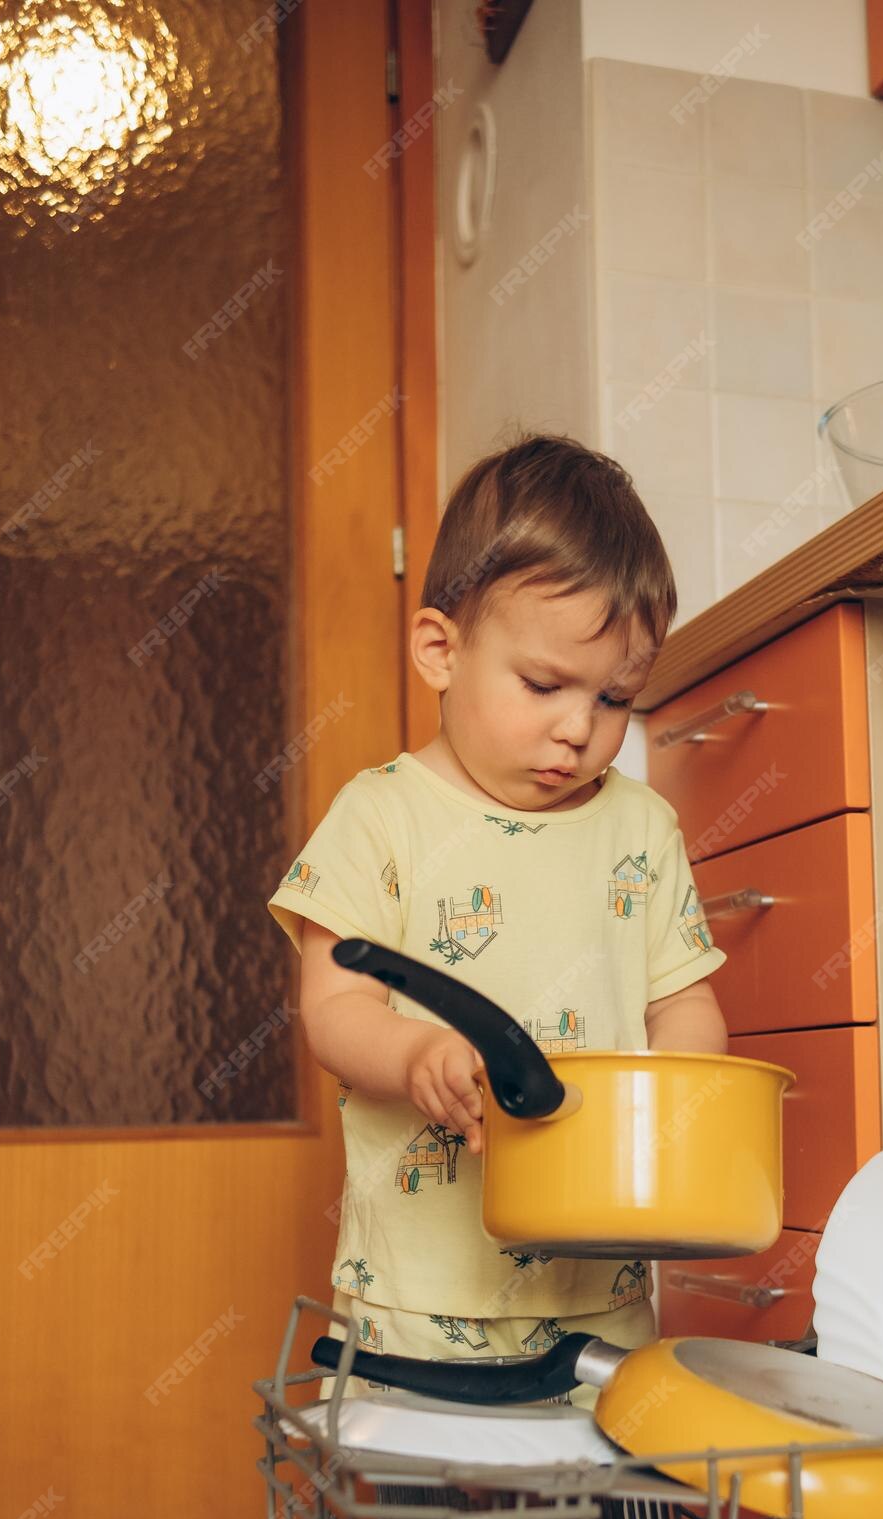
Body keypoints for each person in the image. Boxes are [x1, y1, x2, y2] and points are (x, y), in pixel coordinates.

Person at [267, 433, 729, 1406]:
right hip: (419, 1289)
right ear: (441, 649)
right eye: (544, 684)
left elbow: (684, 1004)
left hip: (597, 1288)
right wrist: (412, 1053)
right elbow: (332, 1007)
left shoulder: (639, 827)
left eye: (614, 698)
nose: (579, 727)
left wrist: (673, 1097)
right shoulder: (380, 815)